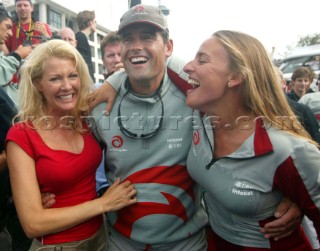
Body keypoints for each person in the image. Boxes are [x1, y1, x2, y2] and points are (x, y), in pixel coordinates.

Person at [90, 5, 303, 250]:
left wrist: (289, 190)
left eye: (148, 37)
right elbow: (73, 160)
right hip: (121, 243)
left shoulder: (196, 97)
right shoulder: (100, 105)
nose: (136, 45)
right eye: (128, 39)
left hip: (189, 243)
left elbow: (256, 121)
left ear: (169, 47)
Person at [183, 30, 320, 250]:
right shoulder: (199, 115)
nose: (188, 66)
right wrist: (111, 88)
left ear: (235, 78)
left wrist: (301, 199)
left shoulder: (288, 150)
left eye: (202, 59)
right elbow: (155, 62)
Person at [5, 39, 137, 251]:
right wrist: (103, 204)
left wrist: (115, 81)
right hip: (57, 246)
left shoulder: (84, 115)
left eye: (72, 75)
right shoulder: (22, 135)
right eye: (55, 78)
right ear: (38, 83)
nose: (67, 86)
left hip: (100, 237)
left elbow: (135, 75)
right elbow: (32, 224)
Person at [0, 2, 33, 106]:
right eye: (7, 27)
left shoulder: (41, 27)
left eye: (25, 5)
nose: (10, 33)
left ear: (32, 8)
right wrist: (17, 56)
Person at [75, 10, 96, 81]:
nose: (96, 24)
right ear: (90, 23)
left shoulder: (80, 37)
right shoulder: (81, 37)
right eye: (95, 22)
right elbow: (84, 62)